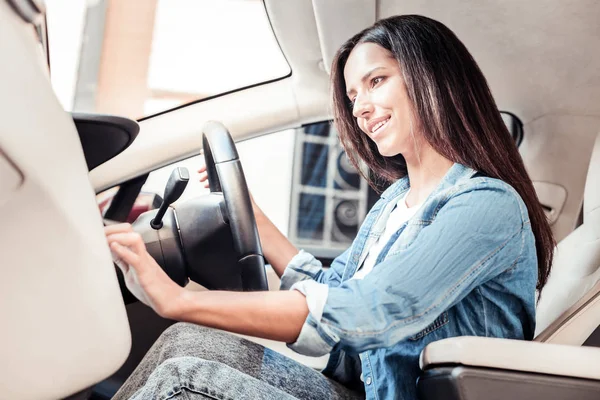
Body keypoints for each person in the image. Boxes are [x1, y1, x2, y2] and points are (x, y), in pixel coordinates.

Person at [105, 15, 555, 400]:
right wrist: (252, 220)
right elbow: (336, 291)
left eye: (375, 81)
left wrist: (178, 300)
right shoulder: (397, 203)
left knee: (188, 373)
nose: (360, 107)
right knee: (186, 344)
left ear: (430, 77)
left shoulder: (487, 207)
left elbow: (368, 310)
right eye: (353, 95)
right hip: (361, 386)